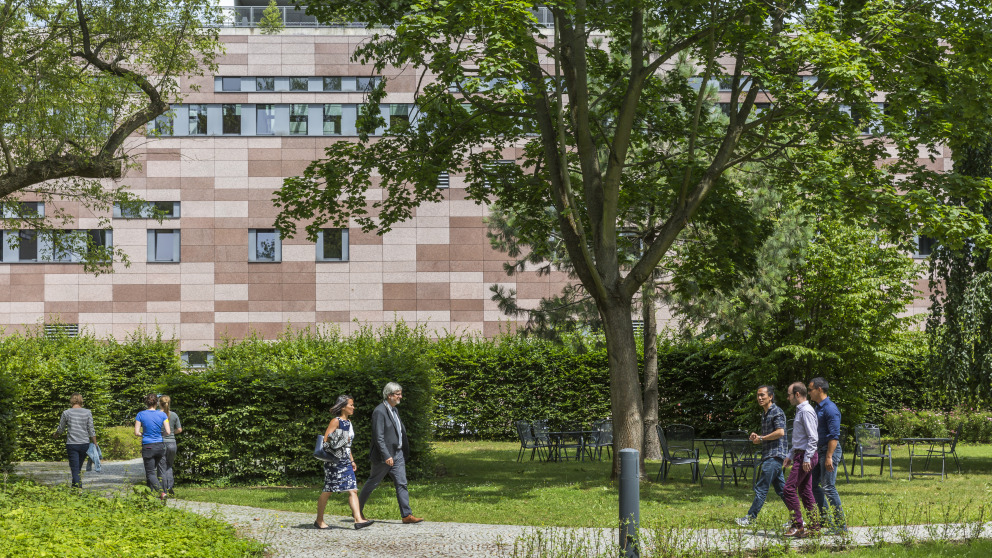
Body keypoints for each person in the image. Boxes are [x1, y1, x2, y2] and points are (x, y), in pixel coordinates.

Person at [358, 382, 423, 524]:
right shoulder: (379, 411)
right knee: (373, 482)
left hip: (398, 453)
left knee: (402, 483)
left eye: (400, 393)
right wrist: (386, 455)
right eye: (398, 394)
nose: (401, 396)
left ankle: (406, 515)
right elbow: (378, 436)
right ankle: (357, 511)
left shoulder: (394, 410)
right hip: (384, 456)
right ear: (389, 395)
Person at [315, 395, 374, 530]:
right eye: (351, 405)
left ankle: (358, 520)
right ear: (343, 407)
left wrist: (352, 460)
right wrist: (341, 440)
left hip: (345, 460)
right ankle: (319, 520)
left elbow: (348, 445)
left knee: (352, 489)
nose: (353, 407)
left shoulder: (349, 422)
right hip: (334, 462)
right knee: (328, 490)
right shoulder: (336, 421)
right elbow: (326, 440)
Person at [735, 385, 788, 526]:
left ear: (770, 396)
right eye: (758, 395)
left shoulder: (776, 411)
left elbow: (780, 432)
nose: (759, 398)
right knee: (782, 491)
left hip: (774, 455)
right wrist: (757, 437)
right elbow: (767, 437)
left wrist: (762, 438)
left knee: (762, 487)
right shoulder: (765, 414)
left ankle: (750, 518)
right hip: (770, 455)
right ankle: (797, 519)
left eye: (763, 395)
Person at [808, 377, 847, 533]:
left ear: (819, 389)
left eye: (810, 389)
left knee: (828, 487)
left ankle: (840, 526)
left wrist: (829, 457)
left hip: (829, 451)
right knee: (812, 485)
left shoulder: (830, 409)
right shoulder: (818, 408)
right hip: (819, 450)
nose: (808, 393)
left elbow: (834, 436)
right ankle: (826, 520)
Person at [782, 382, 819, 537]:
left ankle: (798, 525)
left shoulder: (806, 412)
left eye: (789, 394)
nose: (788, 397)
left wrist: (807, 458)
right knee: (804, 490)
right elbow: (800, 439)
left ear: (797, 394)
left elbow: (813, 437)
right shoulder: (801, 411)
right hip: (800, 454)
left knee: (789, 489)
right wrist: (790, 455)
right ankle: (815, 527)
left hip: (805, 456)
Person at [53, 393, 98, 488]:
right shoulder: (87, 412)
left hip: (72, 444)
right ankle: (74, 490)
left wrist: (56, 434)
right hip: (84, 444)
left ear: (71, 401)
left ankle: (79, 490)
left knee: (75, 469)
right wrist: (95, 443)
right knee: (77, 468)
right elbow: (91, 429)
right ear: (81, 400)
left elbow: (61, 428)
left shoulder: (66, 413)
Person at [134, 393, 171, 501]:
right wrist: (160, 435)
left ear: (147, 402)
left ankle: (161, 493)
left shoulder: (140, 414)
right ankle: (148, 496)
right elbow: (168, 431)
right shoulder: (163, 415)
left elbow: (136, 432)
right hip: (160, 446)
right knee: (154, 472)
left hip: (148, 446)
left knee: (150, 473)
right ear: (157, 403)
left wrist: (144, 434)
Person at [159, 395, 183, 497]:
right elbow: (179, 429)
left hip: (161, 443)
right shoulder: (174, 415)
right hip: (172, 443)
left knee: (161, 467)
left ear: (159, 403)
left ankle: (163, 490)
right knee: (169, 465)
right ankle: (170, 487)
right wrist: (172, 432)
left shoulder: (157, 415)